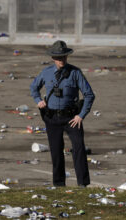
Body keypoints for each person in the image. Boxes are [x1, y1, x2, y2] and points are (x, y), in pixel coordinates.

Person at [30, 40, 95, 187]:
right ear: (53, 58)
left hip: (72, 118)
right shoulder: (46, 73)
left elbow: (89, 94)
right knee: (56, 152)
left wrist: (81, 115)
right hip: (52, 118)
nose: (62, 60)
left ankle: (83, 184)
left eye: (64, 57)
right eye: (59, 58)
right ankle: (59, 184)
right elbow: (34, 87)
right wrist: (38, 100)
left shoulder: (75, 73)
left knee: (79, 148)